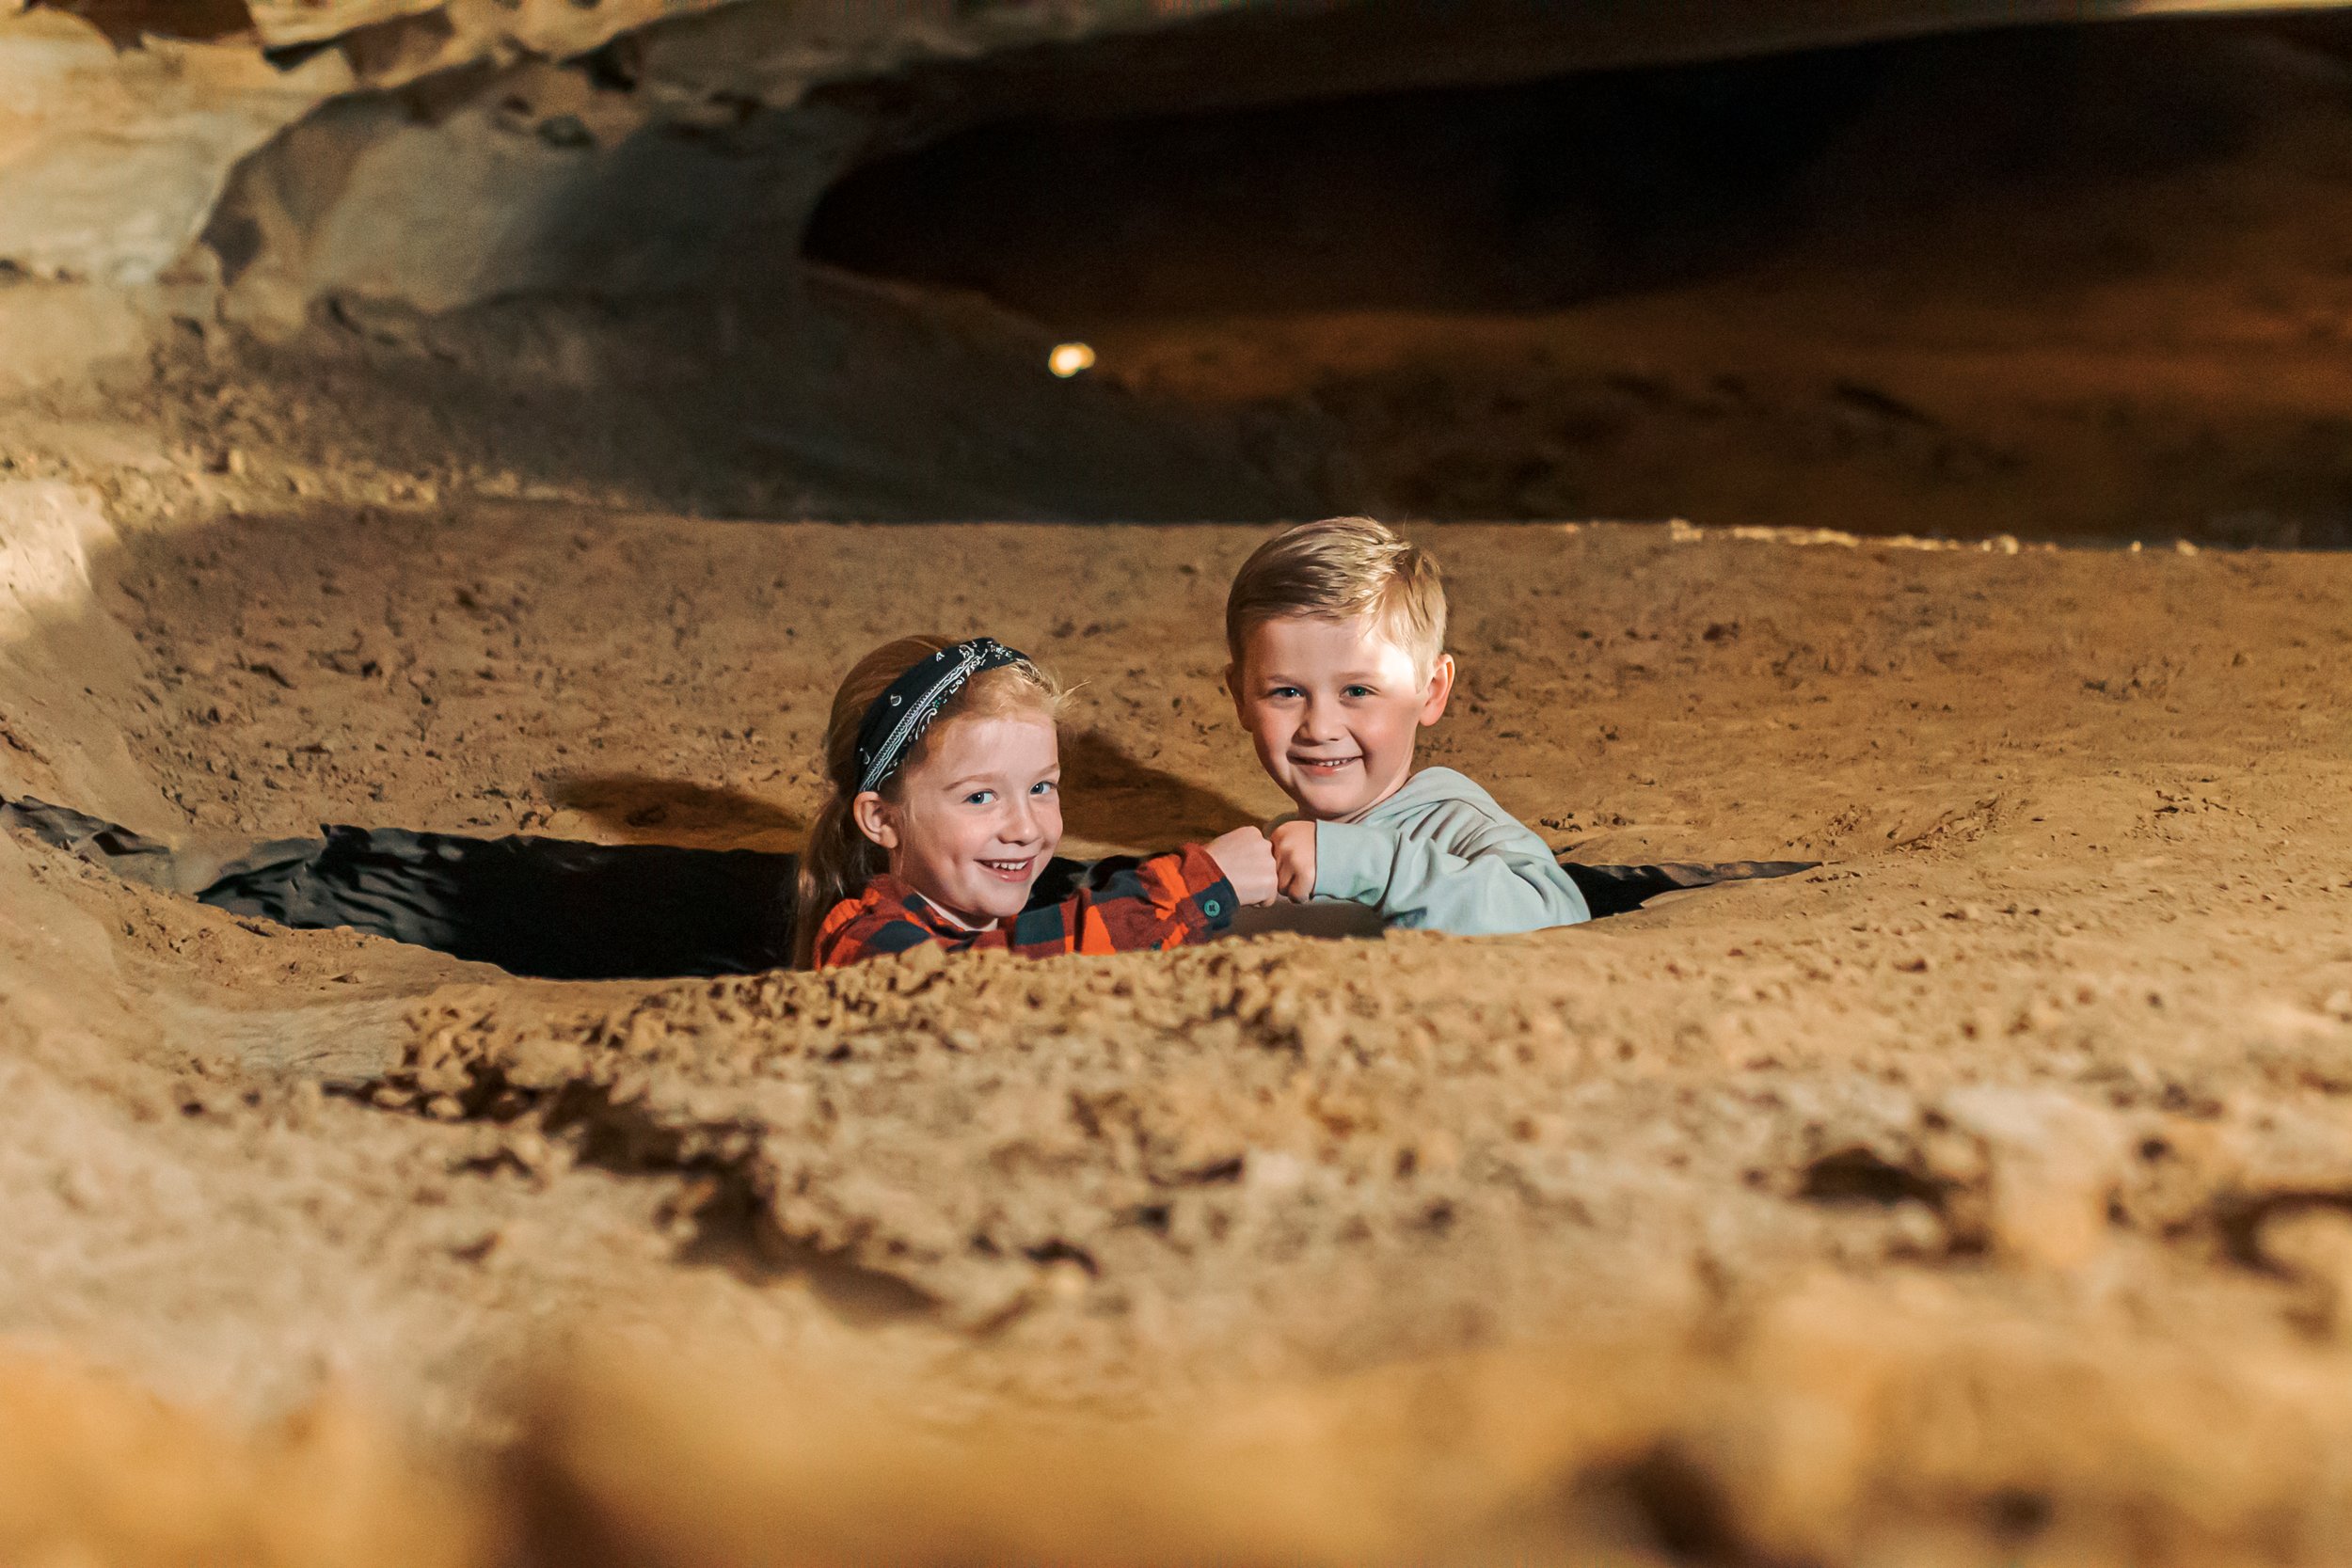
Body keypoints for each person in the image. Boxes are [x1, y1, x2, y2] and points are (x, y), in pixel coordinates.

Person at [799, 634, 1277, 968]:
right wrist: (1198, 883)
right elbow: (989, 982)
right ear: (882, 818)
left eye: (1041, 788)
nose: (1025, 829)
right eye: (981, 796)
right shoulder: (865, 944)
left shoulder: (1004, 918)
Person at [1224, 517, 1592, 935]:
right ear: (1240, 697)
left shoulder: (1454, 826)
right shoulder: (1270, 851)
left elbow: (1559, 914)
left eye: (1358, 691)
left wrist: (1362, 863)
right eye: (1287, 693)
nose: (1320, 728)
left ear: (1432, 691)